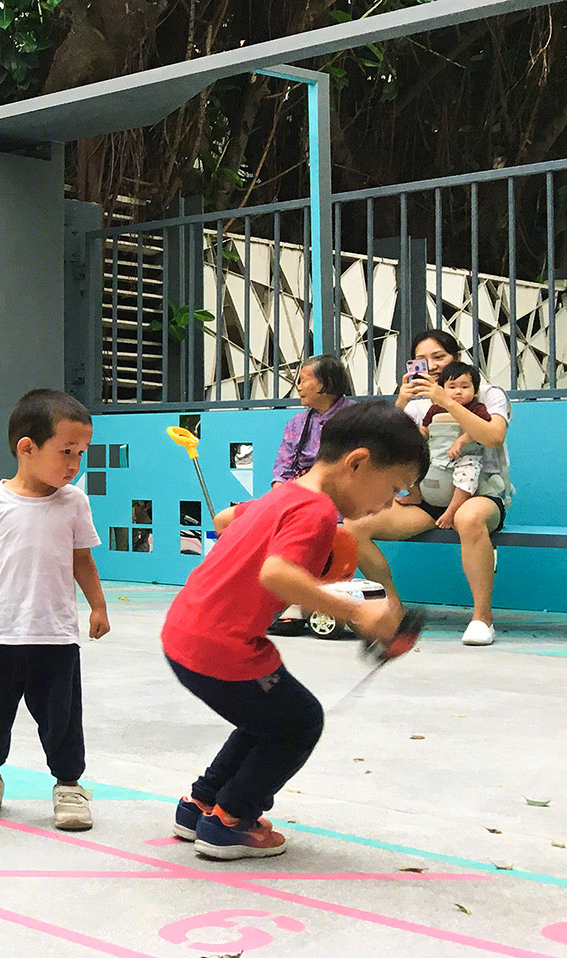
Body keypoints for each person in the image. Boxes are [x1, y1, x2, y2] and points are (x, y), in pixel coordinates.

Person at [161, 402, 426, 860]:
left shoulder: (284, 494)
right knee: (300, 722)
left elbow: (226, 522)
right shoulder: (318, 511)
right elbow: (277, 575)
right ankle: (231, 821)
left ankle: (200, 804)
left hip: (184, 629)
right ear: (357, 463)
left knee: (267, 716)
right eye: (392, 488)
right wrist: (359, 614)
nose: (387, 505)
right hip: (223, 645)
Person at [0, 389, 109, 830]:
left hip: (55, 635)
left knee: (63, 718)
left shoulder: (74, 502)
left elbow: (81, 558)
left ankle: (69, 786)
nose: (75, 463)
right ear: (27, 448)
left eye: (81, 452)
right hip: (1, 632)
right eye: (66, 451)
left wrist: (98, 607)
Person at [345, 329, 514, 647]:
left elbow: (493, 437)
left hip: (480, 493)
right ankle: (391, 608)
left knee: (469, 518)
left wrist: (445, 400)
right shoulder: (417, 402)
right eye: (421, 360)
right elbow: (385, 447)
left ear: (457, 358)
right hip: (428, 496)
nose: (431, 366)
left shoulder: (489, 393)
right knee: (354, 527)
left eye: (439, 357)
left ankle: (482, 617)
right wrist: (401, 402)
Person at [215, 355, 355, 635]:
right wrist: (281, 498)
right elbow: (282, 469)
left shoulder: (354, 418)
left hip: (334, 500)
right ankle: (240, 594)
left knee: (306, 533)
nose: (299, 387)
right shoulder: (296, 423)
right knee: (225, 520)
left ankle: (289, 602)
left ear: (326, 384)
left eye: (304, 380)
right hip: (295, 496)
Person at [409, 362, 497, 530]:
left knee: (468, 474)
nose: (458, 391)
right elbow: (425, 430)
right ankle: (414, 494)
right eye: (452, 387)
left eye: (465, 387)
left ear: (475, 391)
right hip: (435, 456)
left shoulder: (476, 408)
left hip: (465, 456)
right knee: (407, 461)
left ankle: (451, 512)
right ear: (442, 389)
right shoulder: (435, 409)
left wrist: (462, 440)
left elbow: (483, 427)